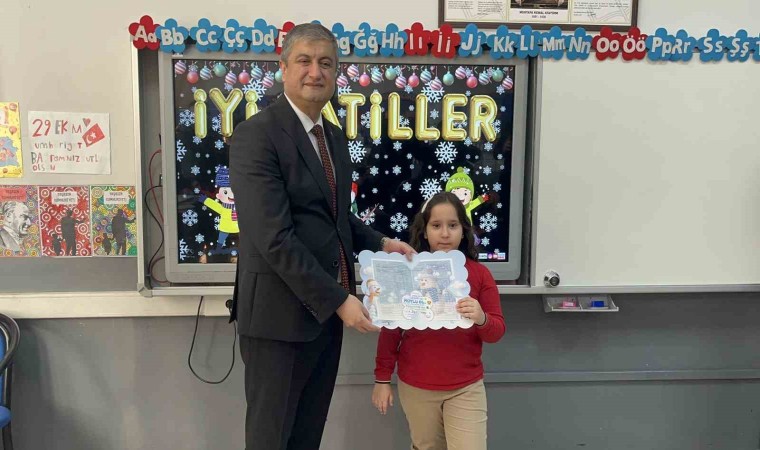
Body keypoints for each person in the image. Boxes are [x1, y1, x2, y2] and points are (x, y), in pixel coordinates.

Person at [228, 22, 415, 450]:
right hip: (277, 322)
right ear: (283, 68)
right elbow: (274, 238)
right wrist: (339, 300)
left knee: (307, 436)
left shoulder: (331, 136)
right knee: (271, 439)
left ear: (336, 73)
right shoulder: (256, 135)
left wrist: (382, 243)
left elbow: (334, 219)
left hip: (324, 321)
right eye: (305, 61)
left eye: (326, 63)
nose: (316, 72)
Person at [372, 192, 506, 450]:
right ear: (425, 231)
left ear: (463, 230)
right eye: (436, 225)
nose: (445, 234)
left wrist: (481, 318)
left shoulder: (480, 274)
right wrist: (382, 379)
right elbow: (391, 331)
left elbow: (496, 332)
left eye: (453, 225)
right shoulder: (408, 272)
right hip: (417, 387)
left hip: (466, 387)